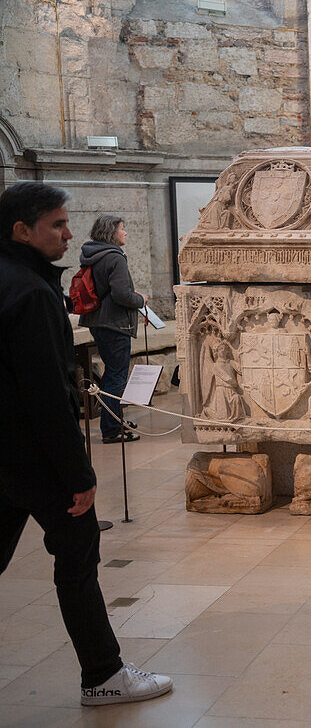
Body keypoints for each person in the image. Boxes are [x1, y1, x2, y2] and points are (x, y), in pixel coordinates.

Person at [0, 182, 172, 705]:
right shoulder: (31, 292)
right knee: (77, 558)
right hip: (36, 461)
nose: (68, 233)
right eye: (56, 224)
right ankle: (102, 674)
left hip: (5, 457)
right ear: (22, 231)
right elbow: (48, 394)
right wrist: (79, 475)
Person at [78, 214, 147, 443]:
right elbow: (121, 295)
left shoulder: (93, 254)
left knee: (112, 374)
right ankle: (111, 430)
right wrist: (141, 300)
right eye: (122, 229)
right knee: (116, 377)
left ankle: (115, 420)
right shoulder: (115, 257)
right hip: (115, 324)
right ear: (111, 232)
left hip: (98, 321)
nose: (125, 232)